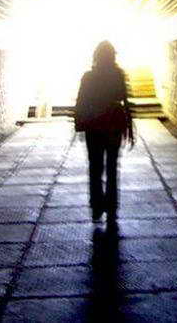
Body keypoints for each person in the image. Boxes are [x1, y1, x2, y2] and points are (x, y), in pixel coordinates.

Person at [74, 41, 135, 223]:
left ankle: (96, 205)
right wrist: (129, 127)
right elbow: (125, 100)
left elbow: (81, 101)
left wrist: (79, 123)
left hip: (94, 125)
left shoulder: (88, 77)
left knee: (95, 167)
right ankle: (111, 206)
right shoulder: (118, 75)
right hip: (113, 125)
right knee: (112, 167)